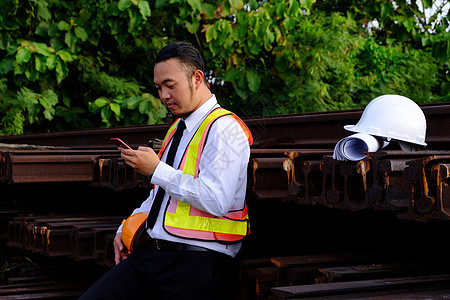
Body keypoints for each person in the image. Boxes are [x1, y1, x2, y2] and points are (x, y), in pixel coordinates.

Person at [79, 42, 252, 299]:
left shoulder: (224, 129)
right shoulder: (178, 129)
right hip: (152, 255)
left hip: (197, 263)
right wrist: (125, 229)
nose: (164, 96)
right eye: (159, 88)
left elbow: (217, 200)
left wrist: (157, 169)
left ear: (197, 78)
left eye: (171, 85)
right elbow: (161, 195)